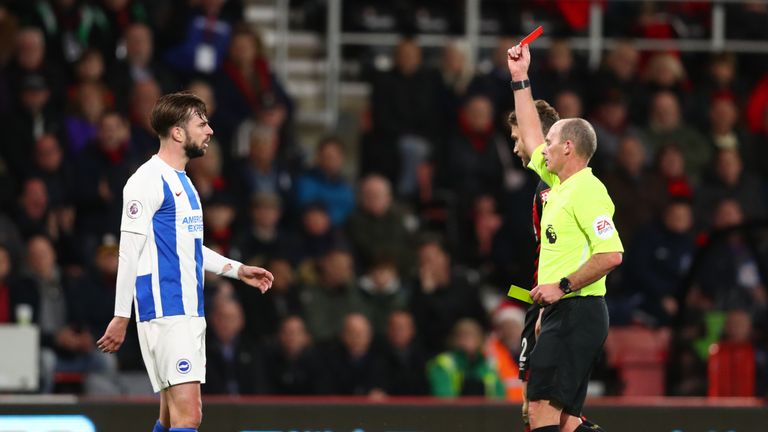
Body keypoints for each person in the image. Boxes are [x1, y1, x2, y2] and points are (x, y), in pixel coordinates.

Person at [96, 92, 274, 432]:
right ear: (178, 132)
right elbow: (128, 251)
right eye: (201, 123)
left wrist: (237, 270)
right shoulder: (145, 181)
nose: (209, 131)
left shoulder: (184, 182)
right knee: (189, 416)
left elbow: (188, 247)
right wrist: (121, 316)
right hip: (167, 312)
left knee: (170, 416)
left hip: (188, 311)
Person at [507, 43, 624, 432]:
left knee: (540, 412)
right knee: (562, 421)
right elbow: (528, 131)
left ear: (568, 147)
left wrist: (561, 287)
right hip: (562, 311)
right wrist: (520, 77)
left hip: (578, 310)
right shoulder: (558, 183)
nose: (543, 146)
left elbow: (611, 254)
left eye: (551, 141)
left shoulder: (588, 191)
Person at [507, 98, 559, 431]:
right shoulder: (543, 188)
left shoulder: (560, 184)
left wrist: (520, 78)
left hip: (554, 304)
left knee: (543, 411)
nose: (515, 148)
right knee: (535, 411)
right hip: (539, 300)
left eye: (517, 138)